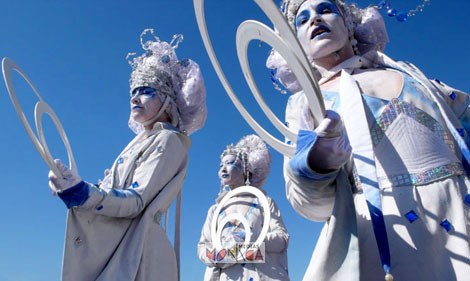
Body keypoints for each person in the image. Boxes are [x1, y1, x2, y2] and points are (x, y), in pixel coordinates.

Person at [266, 1, 470, 280]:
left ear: (349, 22)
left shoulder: (412, 75)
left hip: (461, 214)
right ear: (296, 43)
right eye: (302, 20)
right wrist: (316, 165)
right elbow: (311, 205)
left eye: (325, 9)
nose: (314, 19)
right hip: (384, 233)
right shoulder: (305, 105)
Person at [48, 28, 207, 281]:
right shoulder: (137, 144)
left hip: (142, 256)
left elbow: (135, 200)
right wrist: (74, 186)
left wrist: (85, 194)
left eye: (146, 90)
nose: (135, 97)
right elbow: (109, 191)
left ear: (167, 99)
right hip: (123, 246)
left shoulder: (168, 140)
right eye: (133, 91)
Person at [198, 134, 290, 281]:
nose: (223, 168)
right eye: (221, 165)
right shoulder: (214, 211)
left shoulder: (264, 203)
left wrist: (251, 243)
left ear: (245, 169)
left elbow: (282, 238)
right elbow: (203, 246)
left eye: (229, 163)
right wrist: (220, 257)